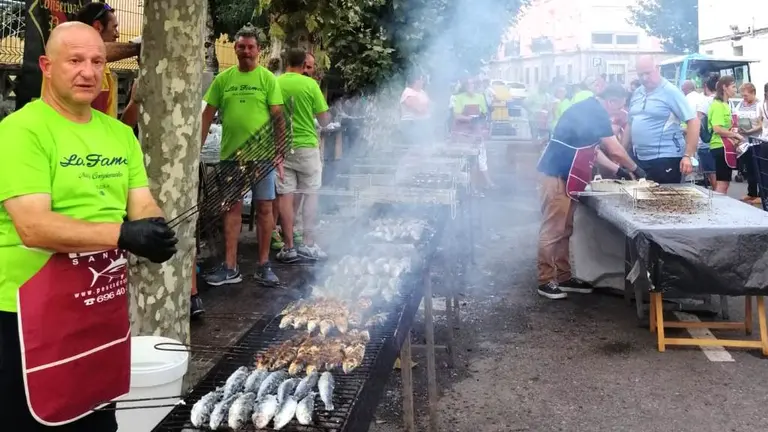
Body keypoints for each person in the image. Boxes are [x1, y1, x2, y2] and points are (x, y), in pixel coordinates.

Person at [0, 22, 176, 430]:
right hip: (28, 316)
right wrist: (122, 235)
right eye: (75, 60)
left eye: (97, 61)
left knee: (97, 419)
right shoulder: (20, 132)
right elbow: (34, 226)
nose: (88, 72)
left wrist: (156, 228)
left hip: (98, 307)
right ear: (46, 66)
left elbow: (141, 199)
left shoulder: (119, 134)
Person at [536, 84, 646, 300]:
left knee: (565, 228)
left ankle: (565, 277)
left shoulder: (590, 110)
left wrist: (619, 171)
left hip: (568, 176)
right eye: (618, 108)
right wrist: (635, 169)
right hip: (556, 174)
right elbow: (614, 149)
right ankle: (545, 280)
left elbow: (594, 152)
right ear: (611, 102)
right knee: (553, 230)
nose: (618, 113)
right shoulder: (595, 113)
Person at [200, 24, 285, 287]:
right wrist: (196, 150)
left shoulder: (267, 79)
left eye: (250, 47)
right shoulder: (223, 80)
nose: (246, 51)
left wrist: (279, 152)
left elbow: (279, 118)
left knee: (264, 208)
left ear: (258, 51)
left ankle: (263, 265)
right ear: (235, 49)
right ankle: (230, 267)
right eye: (241, 47)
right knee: (232, 208)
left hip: (261, 156)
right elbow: (206, 116)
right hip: (230, 157)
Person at [274, 49, 330, 263]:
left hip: (282, 147)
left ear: (287, 62)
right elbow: (324, 120)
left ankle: (288, 247)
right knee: (310, 193)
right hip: (307, 147)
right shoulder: (311, 85)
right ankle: (308, 244)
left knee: (286, 196)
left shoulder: (275, 83)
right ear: (303, 64)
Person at [624, 55, 700, 183]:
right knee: (640, 199)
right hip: (639, 158)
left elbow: (693, 121)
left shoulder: (671, 92)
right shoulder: (637, 93)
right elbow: (630, 123)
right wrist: (622, 151)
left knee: (664, 201)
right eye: (640, 74)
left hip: (666, 158)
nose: (644, 78)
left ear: (657, 69)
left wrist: (688, 156)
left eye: (648, 73)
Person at [68, 2, 141, 117]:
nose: (117, 34)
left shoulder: (106, 73)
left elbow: (110, 129)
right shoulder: (71, 58)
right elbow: (93, 51)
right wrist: (141, 48)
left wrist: (134, 102)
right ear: (98, 27)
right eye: (114, 27)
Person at [453, 78, 494, 192]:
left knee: (480, 157)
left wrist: (483, 126)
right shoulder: (459, 98)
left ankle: (478, 185)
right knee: (466, 159)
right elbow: (457, 116)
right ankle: (465, 186)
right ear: (465, 86)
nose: (470, 87)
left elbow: (484, 113)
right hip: (463, 132)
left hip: (476, 131)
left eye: (472, 84)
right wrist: (469, 119)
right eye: (468, 85)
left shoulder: (480, 97)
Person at [708, 75, 744, 194]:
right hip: (720, 146)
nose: (736, 90)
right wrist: (735, 136)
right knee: (722, 184)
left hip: (727, 146)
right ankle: (718, 210)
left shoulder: (726, 104)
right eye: (733, 87)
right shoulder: (718, 104)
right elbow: (717, 128)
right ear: (724, 87)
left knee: (725, 183)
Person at [735, 82, 762, 204]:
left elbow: (763, 124)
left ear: (753, 93)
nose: (744, 98)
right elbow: (736, 118)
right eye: (742, 96)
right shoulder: (741, 104)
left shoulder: (760, 105)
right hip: (745, 142)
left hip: (757, 141)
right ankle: (751, 193)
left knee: (759, 169)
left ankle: (762, 195)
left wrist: (751, 130)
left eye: (746, 95)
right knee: (749, 169)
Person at [694, 74, 718, 188]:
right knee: (719, 174)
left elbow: (698, 122)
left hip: (706, 143)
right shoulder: (723, 101)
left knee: (712, 173)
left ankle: (719, 199)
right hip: (720, 142)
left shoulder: (705, 102)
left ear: (705, 86)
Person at [400, 72, 430, 143]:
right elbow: (418, 108)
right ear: (415, 81)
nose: (423, 81)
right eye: (421, 79)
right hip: (411, 123)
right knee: (413, 147)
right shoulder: (408, 92)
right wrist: (425, 107)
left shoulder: (422, 92)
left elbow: (430, 106)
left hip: (422, 123)